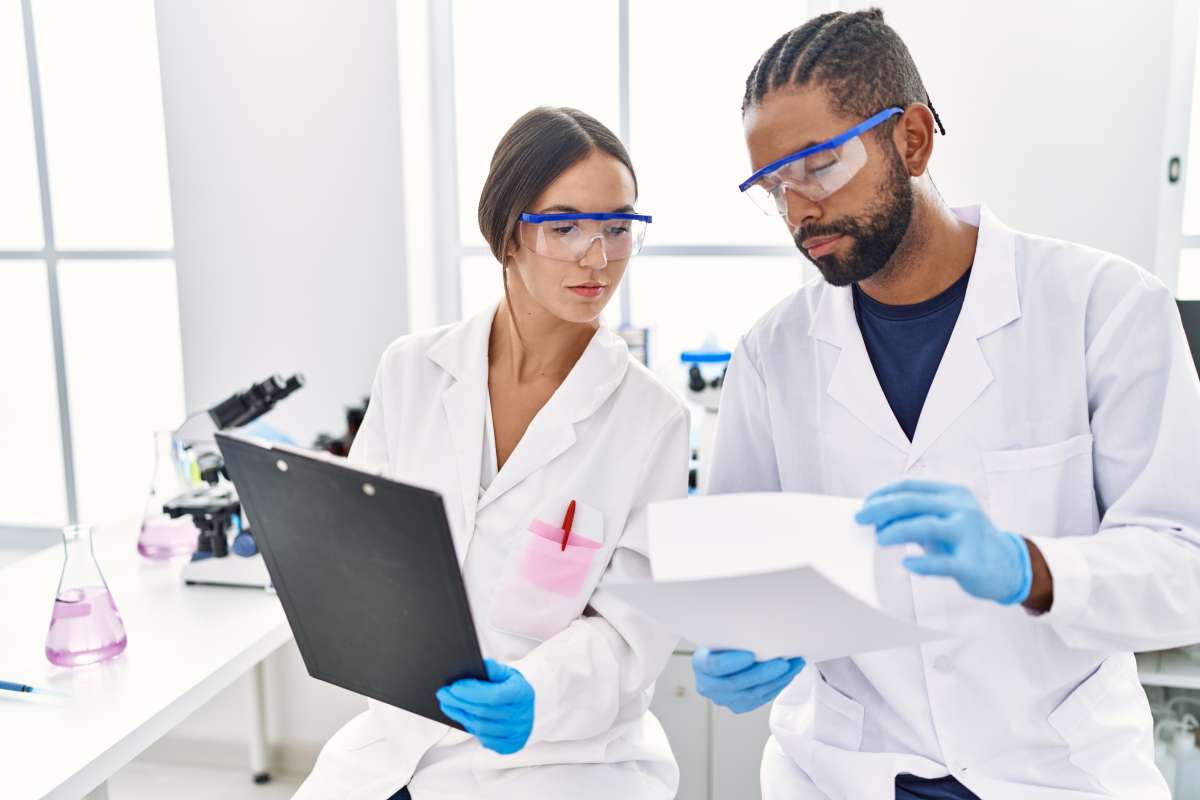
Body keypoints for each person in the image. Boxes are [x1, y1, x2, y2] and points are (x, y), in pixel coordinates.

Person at [692, 9, 1200, 799]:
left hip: (1057, 774)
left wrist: (1028, 568)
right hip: (840, 773)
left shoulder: (1105, 308)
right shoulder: (771, 354)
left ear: (914, 139)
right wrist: (735, 645)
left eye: (818, 165)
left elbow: (1186, 568)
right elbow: (741, 572)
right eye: (774, 186)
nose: (799, 212)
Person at [295, 107, 687, 800]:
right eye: (565, 227)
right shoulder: (413, 370)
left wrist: (537, 692)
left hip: (562, 762)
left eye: (619, 228)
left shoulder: (650, 418)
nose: (598, 256)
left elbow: (636, 626)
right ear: (506, 233)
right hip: (398, 739)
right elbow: (366, 551)